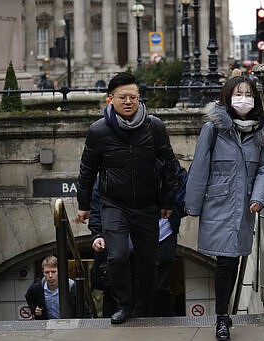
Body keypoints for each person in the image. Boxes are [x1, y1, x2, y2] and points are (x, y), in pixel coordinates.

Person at [76, 72, 180, 324]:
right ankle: (124, 304)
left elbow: (170, 166)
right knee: (117, 256)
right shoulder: (98, 131)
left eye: (133, 97)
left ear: (139, 99)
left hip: (147, 205)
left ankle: (142, 306)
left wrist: (167, 202)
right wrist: (84, 205)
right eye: (122, 97)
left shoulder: (154, 127)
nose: (128, 101)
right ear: (110, 99)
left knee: (147, 260)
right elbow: (87, 170)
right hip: (114, 204)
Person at [184, 75, 264, 341]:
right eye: (238, 94)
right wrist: (193, 205)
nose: (243, 99)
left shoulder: (261, 131)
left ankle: (223, 315)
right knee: (225, 261)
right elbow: (200, 166)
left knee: (231, 260)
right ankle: (222, 318)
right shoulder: (214, 129)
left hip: (245, 207)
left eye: (248, 94)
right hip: (218, 203)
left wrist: (258, 197)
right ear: (228, 96)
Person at [89, 163, 186, 317]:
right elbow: (98, 199)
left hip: (159, 236)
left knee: (157, 291)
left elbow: (183, 181)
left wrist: (175, 209)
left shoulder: (161, 156)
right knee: (118, 286)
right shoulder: (111, 160)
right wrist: (97, 233)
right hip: (122, 237)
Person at [25, 256, 76, 320]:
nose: (50, 276)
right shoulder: (37, 287)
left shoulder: (71, 286)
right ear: (43, 272)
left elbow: (84, 309)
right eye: (47, 272)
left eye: (53, 272)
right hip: (46, 326)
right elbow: (28, 297)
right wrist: (35, 309)